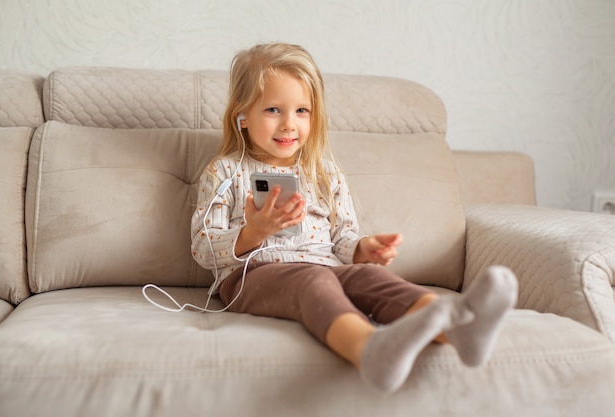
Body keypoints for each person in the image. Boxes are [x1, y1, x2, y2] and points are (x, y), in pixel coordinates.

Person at [191, 42, 518, 394]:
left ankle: (456, 326)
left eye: (302, 110)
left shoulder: (324, 173)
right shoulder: (223, 171)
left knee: (365, 277)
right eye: (273, 109)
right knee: (314, 283)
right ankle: (369, 350)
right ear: (242, 115)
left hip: (326, 267)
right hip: (252, 276)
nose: (289, 124)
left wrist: (364, 250)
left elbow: (343, 240)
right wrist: (252, 233)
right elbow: (201, 247)